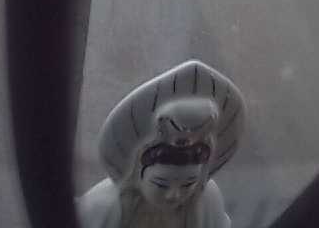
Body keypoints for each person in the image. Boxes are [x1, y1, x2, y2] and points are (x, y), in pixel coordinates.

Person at [76, 60, 244, 228]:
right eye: (161, 184)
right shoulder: (104, 206)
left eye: (188, 184)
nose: (174, 195)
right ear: (138, 174)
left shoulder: (206, 200)